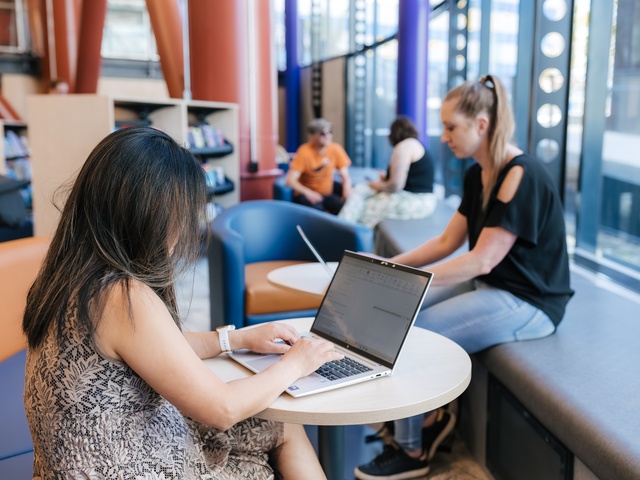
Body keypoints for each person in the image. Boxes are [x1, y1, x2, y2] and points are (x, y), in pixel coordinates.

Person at [22, 127, 343, 479]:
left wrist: (234, 339)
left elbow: (155, 346)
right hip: (126, 465)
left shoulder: (73, 275)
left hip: (91, 456)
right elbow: (222, 409)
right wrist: (296, 364)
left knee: (278, 425)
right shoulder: (122, 295)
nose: (187, 225)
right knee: (277, 427)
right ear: (148, 215)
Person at [355, 74, 574, 479]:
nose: (443, 137)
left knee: (417, 334)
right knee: (400, 315)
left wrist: (406, 281)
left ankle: (413, 449)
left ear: (482, 125)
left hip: (532, 302)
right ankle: (424, 419)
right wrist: (389, 268)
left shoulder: (520, 174)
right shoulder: (478, 174)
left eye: (451, 127)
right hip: (494, 286)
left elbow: (481, 260)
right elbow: (446, 241)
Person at [338, 116, 437, 227]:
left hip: (416, 200)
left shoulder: (403, 147)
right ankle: (343, 229)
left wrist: (376, 185)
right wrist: (386, 177)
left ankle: (343, 231)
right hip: (424, 200)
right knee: (361, 192)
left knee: (365, 208)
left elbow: (395, 185)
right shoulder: (414, 144)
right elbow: (412, 177)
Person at [286, 118, 352, 214]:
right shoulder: (304, 152)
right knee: (317, 210)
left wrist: (347, 189)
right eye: (322, 133)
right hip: (307, 194)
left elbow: (345, 175)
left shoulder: (335, 149)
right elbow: (290, 180)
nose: (327, 136)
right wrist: (308, 192)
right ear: (312, 136)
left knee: (343, 206)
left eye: (330, 132)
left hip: (327, 193)